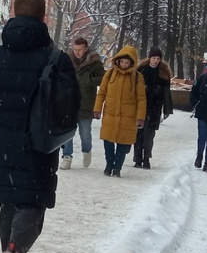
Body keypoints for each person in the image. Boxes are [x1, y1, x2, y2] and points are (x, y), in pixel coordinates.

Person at [0, 0, 79, 253]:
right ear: (44, 18)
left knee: (8, 200)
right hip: (41, 145)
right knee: (32, 203)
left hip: (5, 141)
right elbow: (72, 104)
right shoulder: (56, 59)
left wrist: (2, 122)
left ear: (13, 13)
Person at [92, 45, 147, 177]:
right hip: (110, 114)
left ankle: (117, 168)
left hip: (128, 117)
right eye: (121, 61)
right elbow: (102, 93)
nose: (124, 64)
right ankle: (109, 165)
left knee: (123, 144)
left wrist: (140, 117)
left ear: (132, 63)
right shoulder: (110, 74)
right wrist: (97, 109)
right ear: (117, 61)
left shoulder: (137, 77)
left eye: (127, 62)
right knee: (108, 142)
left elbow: (141, 98)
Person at [59, 36, 105, 170]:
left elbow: (103, 78)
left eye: (79, 49)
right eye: (75, 49)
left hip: (86, 102)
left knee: (85, 134)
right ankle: (67, 157)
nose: (77, 52)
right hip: (69, 102)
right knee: (68, 133)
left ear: (86, 49)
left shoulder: (95, 62)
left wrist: (90, 80)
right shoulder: (67, 60)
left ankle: (87, 150)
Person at [133, 48, 174, 169]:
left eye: (158, 58)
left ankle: (146, 158)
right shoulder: (141, 70)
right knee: (138, 133)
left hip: (155, 107)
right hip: (141, 105)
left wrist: (167, 108)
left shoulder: (163, 73)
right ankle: (137, 158)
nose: (156, 61)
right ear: (149, 58)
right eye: (154, 58)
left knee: (149, 134)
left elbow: (167, 92)